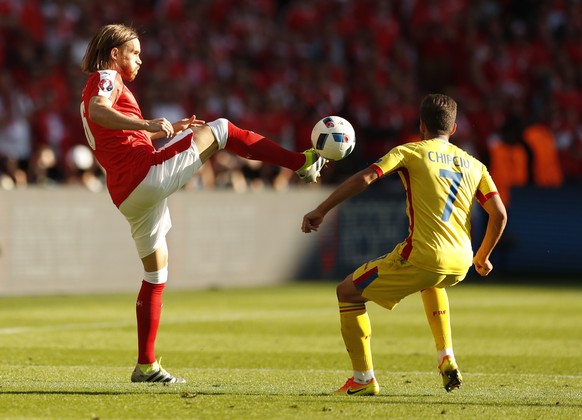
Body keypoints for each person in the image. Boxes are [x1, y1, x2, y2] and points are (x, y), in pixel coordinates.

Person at [80, 23, 327, 383]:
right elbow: (98, 111)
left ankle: (146, 365)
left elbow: (109, 127)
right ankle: (301, 163)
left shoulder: (108, 84)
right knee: (223, 129)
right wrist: (149, 124)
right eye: (134, 52)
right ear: (115, 53)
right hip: (142, 176)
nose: (140, 59)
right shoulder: (106, 76)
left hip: (127, 193)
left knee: (156, 274)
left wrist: (163, 131)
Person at [302, 94, 507, 395]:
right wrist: (483, 255)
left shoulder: (411, 151)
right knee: (432, 282)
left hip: (423, 255)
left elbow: (367, 178)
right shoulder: (475, 165)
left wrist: (322, 209)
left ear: (421, 126)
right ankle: (446, 355)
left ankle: (362, 380)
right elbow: (499, 215)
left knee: (347, 292)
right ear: (453, 129)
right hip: (461, 261)